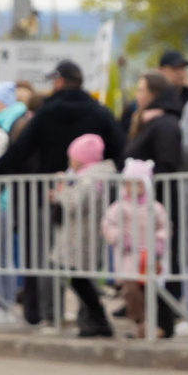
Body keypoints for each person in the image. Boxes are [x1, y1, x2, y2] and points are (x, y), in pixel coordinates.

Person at [0, 60, 124, 326]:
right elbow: (121, 148)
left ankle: (50, 315)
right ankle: (88, 316)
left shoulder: (47, 112)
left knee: (50, 256)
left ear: (59, 81)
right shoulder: (98, 112)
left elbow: (19, 151)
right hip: (91, 196)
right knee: (86, 259)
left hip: (49, 193)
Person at [51, 132, 118, 337]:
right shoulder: (91, 175)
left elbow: (75, 204)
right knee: (78, 278)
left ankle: (99, 319)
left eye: (72, 157)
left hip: (82, 236)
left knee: (79, 278)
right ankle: (94, 320)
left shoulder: (90, 178)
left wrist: (61, 189)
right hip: (80, 234)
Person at [102, 157, 171, 337]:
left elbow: (164, 226)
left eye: (138, 183)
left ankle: (154, 326)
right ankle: (140, 322)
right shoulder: (118, 207)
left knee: (151, 292)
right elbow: (107, 225)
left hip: (149, 258)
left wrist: (159, 242)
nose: (132, 188)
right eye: (129, 183)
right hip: (127, 258)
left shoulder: (155, 207)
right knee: (130, 290)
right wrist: (119, 237)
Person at [125, 70, 185, 174]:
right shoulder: (149, 121)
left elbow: (167, 165)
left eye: (140, 90)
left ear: (154, 94)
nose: (136, 96)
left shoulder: (165, 125)